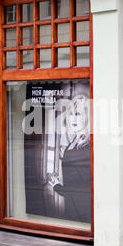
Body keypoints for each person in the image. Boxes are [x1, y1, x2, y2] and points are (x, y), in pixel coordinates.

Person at [49, 94, 91, 223]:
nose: (73, 118)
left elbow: (81, 189)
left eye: (78, 114)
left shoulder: (86, 146)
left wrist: (57, 186)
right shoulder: (76, 141)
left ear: (88, 117)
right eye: (71, 114)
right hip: (74, 208)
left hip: (82, 211)